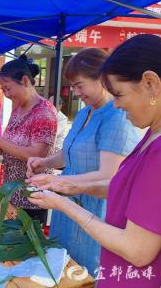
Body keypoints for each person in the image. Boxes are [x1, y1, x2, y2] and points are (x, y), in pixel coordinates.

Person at [27, 34, 161, 287]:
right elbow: (131, 190)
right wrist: (70, 186)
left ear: (151, 83)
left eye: (118, 94)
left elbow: (137, 250)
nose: (115, 105)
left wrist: (65, 205)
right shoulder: (155, 132)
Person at [27, 48, 139, 274]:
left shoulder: (116, 117)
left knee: (83, 272)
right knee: (62, 265)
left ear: (101, 78)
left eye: (80, 85)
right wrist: (45, 161)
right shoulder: (84, 113)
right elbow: (70, 152)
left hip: (94, 209)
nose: (75, 92)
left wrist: (58, 181)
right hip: (68, 202)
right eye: (73, 86)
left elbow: (108, 175)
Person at [0, 55, 58, 222]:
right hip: (12, 192)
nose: (7, 94)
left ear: (25, 80)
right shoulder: (17, 108)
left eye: (8, 88)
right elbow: (7, 147)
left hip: (32, 197)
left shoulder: (44, 112)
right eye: (3, 90)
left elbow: (37, 155)